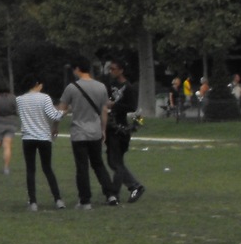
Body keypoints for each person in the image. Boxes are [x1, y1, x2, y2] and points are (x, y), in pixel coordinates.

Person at [58, 62, 117, 209]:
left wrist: (55, 126)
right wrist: (103, 129)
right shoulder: (101, 87)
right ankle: (111, 194)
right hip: (95, 131)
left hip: (79, 132)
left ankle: (85, 200)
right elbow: (104, 110)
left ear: (77, 69)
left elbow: (60, 110)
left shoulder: (71, 88)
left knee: (82, 167)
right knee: (98, 164)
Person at [15, 76, 63, 211]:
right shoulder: (45, 98)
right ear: (37, 84)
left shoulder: (19, 99)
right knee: (47, 169)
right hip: (44, 137)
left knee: (30, 170)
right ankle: (58, 199)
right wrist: (64, 111)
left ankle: (33, 202)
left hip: (28, 137)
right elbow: (54, 115)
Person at [102, 62, 145, 202]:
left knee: (116, 162)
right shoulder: (111, 85)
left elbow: (132, 107)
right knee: (113, 161)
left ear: (121, 70)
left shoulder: (129, 88)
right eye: (110, 69)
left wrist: (115, 105)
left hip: (120, 128)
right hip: (111, 126)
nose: (111, 71)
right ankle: (133, 186)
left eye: (113, 69)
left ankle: (117, 193)